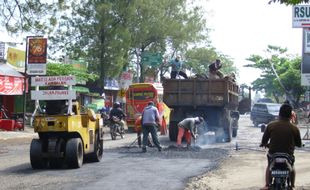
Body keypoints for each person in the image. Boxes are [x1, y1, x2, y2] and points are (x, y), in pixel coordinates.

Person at [260, 103, 302, 190]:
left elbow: (264, 141)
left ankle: (267, 185)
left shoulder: (271, 125)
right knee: (292, 167)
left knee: (269, 166)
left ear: (279, 113)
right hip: (288, 156)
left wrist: (265, 144)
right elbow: (299, 144)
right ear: (291, 115)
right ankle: (292, 186)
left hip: (273, 155)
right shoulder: (295, 128)